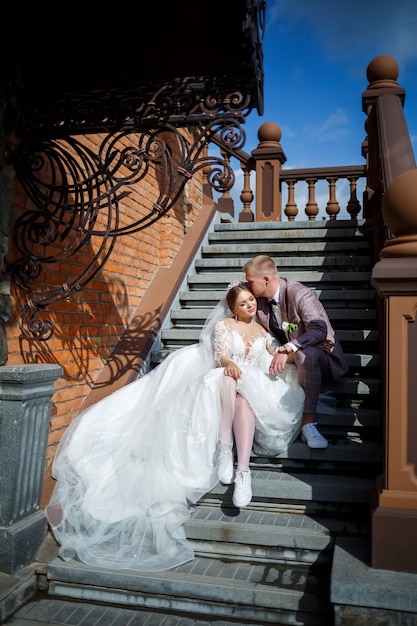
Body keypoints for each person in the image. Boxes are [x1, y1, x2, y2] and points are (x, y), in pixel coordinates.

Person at [45, 282, 304, 573]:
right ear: (233, 308)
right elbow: (221, 356)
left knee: (244, 401)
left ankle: (243, 470)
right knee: (228, 380)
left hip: (249, 386)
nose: (250, 306)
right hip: (226, 377)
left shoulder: (261, 331)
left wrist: (292, 349)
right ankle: (224, 449)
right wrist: (229, 363)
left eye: (251, 301)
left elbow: (274, 353)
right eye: (243, 303)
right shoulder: (223, 326)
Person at [243, 255, 348, 449]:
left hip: (321, 356)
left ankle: (308, 424)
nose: (248, 287)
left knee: (304, 355)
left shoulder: (299, 294)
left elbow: (319, 330)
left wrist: (287, 348)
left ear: (266, 279)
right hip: (286, 356)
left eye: (250, 282)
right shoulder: (261, 301)